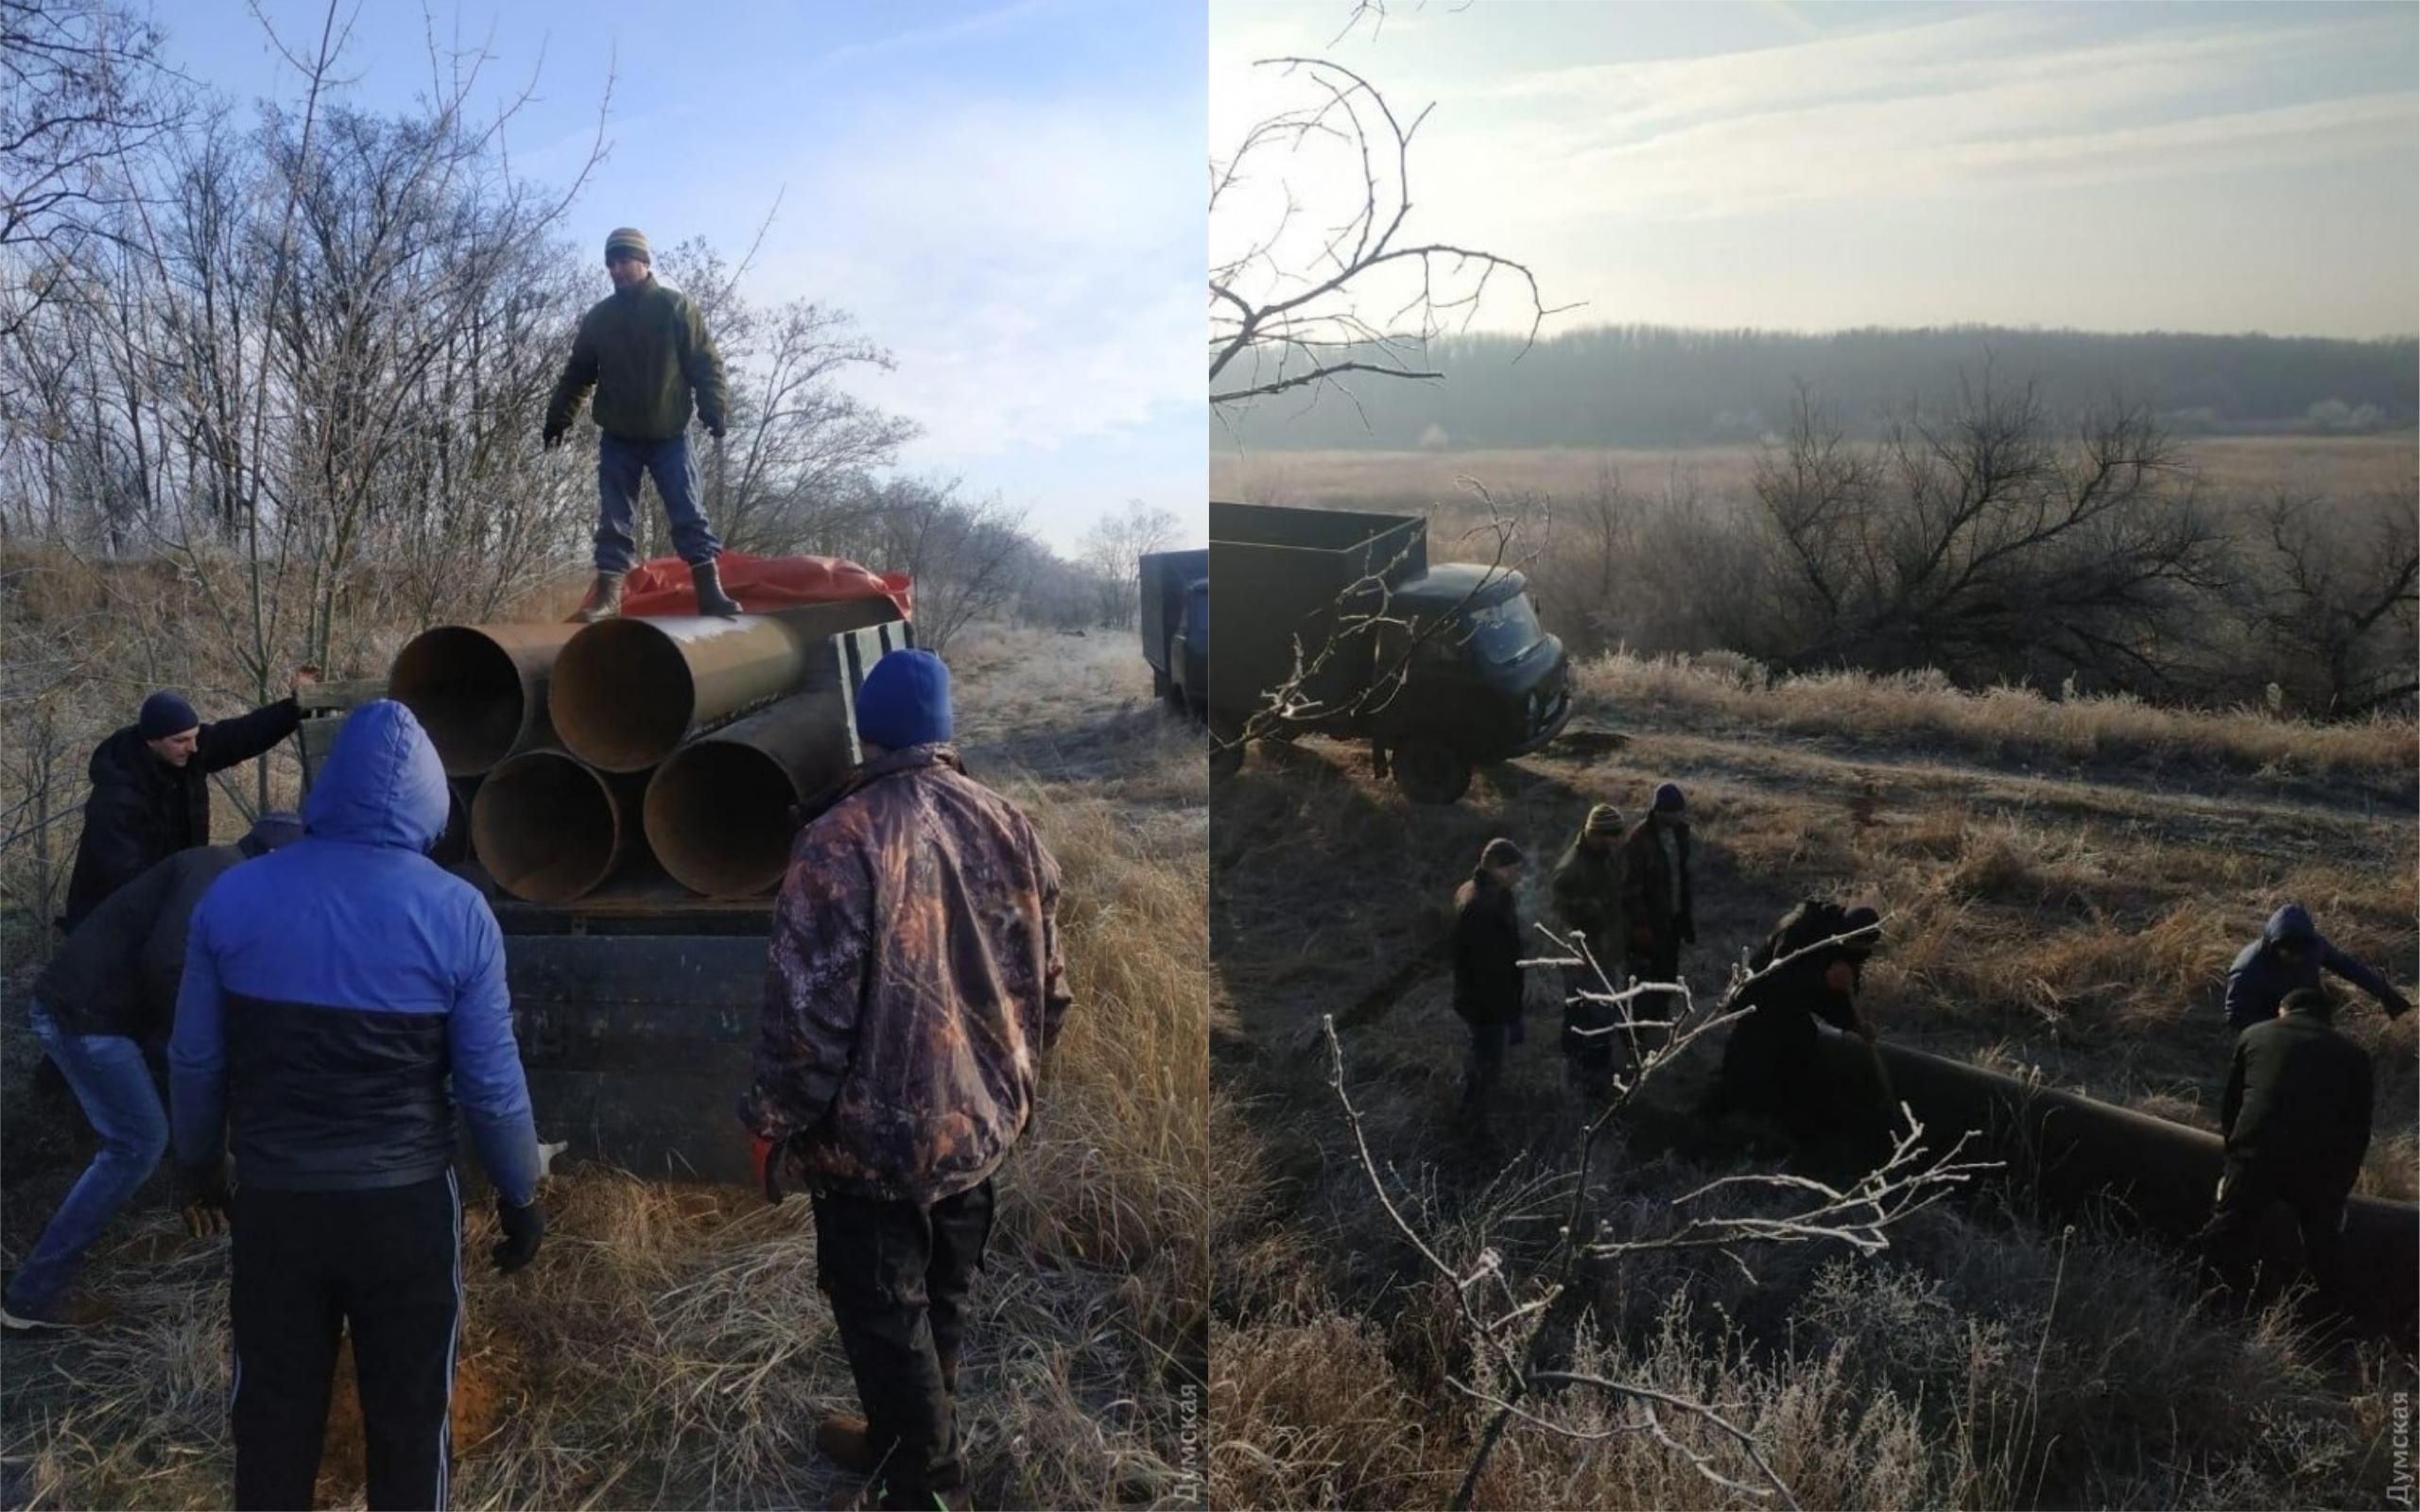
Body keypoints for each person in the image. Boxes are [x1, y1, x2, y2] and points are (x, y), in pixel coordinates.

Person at [170, 700, 545, 1512]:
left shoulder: (235, 900)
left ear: (326, 787)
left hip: (277, 1207)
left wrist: (199, 1166)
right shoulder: (458, 913)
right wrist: (519, 1192)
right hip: (405, 1213)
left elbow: (196, 1058)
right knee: (411, 1424)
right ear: (431, 798)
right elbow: (489, 1081)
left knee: (272, 1419)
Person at [740, 648, 1070, 1512]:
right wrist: (1008, 1089)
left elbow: (808, 1021)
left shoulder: (836, 842)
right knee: (942, 1295)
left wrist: (773, 1120)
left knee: (885, 1313)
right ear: (945, 731)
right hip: (981, 1132)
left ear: (870, 735)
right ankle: (904, 1439)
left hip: (874, 1150)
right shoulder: (1010, 822)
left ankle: (921, 1483)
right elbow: (1053, 989)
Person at [2, 813, 304, 1332]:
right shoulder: (218, 875)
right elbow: (170, 968)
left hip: (107, 1011)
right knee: (137, 1141)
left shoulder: (224, 871)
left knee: (165, 1110)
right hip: (85, 1015)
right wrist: (206, 1048)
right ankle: (31, 1297)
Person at [543, 226, 740, 623]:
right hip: (619, 436)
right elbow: (579, 373)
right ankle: (608, 598)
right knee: (614, 519)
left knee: (688, 512)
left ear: (644, 262)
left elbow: (706, 363)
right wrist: (559, 416)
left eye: (623, 261)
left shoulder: (675, 308)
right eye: (610, 264)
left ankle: (711, 593)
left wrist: (714, 407)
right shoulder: (600, 318)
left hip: (670, 433)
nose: (615, 270)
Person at [60, 671, 319, 934]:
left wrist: (296, 706)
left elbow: (242, 735)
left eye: (194, 737)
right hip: (112, 921)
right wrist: (190, 898)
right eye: (182, 741)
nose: (193, 747)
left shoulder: (186, 752)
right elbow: (123, 877)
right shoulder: (117, 797)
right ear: (152, 740)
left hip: (169, 897)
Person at [2197, 987, 2373, 1314]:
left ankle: (2213, 1301)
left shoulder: (2255, 1035)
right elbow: (2358, 1128)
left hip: (2256, 1151)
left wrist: (2233, 1157)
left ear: (2283, 1009)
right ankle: (2331, 1321)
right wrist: (2341, 1185)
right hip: (2319, 1164)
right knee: (2323, 1242)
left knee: (2228, 1227)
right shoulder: (2354, 1055)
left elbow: (2232, 1106)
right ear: (2328, 1019)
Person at [1705, 900, 1887, 1150]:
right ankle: (1708, 1121)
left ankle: (1798, 1131)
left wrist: (1853, 1024)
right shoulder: (1802, 927)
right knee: (1748, 1066)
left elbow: (1833, 1002)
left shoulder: (1850, 953)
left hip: (1793, 1009)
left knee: (1803, 1061)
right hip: (1757, 1000)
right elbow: (1777, 977)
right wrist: (1822, 980)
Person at [2223, 903, 2410, 1031]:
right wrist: (2283, 1027)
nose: (2295, 959)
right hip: (2268, 1024)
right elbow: (2236, 1016)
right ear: (2274, 946)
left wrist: (2386, 994)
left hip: (2306, 1010)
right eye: (2288, 953)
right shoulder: (2247, 968)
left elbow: (2348, 968)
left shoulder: (2314, 947)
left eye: (2300, 954)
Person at [1550, 803, 1627, 1093]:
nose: (1618, 841)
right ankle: (1588, 1073)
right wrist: (1589, 908)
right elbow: (1557, 914)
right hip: (1582, 956)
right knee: (1592, 1014)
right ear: (1598, 834)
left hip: (1603, 952)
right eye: (1613, 835)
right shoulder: (1571, 869)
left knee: (1594, 1012)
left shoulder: (1604, 856)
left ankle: (1589, 1067)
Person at [1451, 837, 1528, 1121]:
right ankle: (1472, 1123)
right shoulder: (1481, 908)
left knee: (1479, 1058)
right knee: (1486, 1066)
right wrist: (1508, 1012)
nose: (1520, 875)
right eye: (1516, 869)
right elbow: (1488, 969)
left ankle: (1472, 1113)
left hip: (1483, 999)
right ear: (1499, 868)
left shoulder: (1486, 894)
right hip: (1486, 1004)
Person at [1620, 782, 1696, 1012]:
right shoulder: (1639, 840)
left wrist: (1686, 918)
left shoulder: (1681, 834)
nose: (1676, 816)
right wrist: (1640, 925)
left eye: (1678, 811)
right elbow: (1630, 888)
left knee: (1667, 979)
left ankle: (1659, 1026)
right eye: (1671, 812)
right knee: (1643, 983)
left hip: (1671, 922)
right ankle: (1635, 1033)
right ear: (1659, 811)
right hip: (1648, 926)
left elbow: (1682, 879)